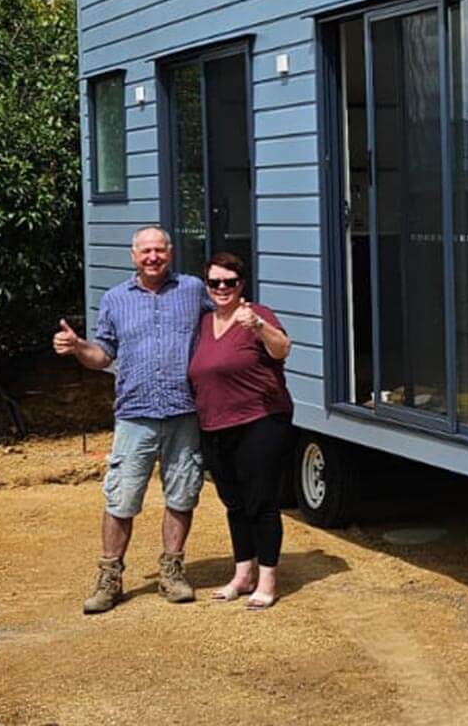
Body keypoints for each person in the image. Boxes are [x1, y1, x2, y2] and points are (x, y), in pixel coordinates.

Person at [53, 225, 206, 613]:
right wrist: (77, 347)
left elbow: (223, 320)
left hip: (184, 411)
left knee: (183, 494)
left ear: (170, 253)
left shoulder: (192, 290)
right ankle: (110, 576)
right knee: (121, 498)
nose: (153, 257)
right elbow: (102, 356)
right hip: (135, 414)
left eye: (159, 250)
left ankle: (172, 571)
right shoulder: (115, 299)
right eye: (145, 251)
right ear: (133, 256)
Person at [188, 252, 294, 610]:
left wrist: (259, 328)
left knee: (261, 502)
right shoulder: (203, 323)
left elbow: (282, 349)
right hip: (215, 425)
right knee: (233, 503)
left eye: (229, 282)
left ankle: (267, 580)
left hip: (260, 422)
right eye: (214, 282)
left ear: (241, 284)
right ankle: (242, 574)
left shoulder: (256, 315)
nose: (221, 288)